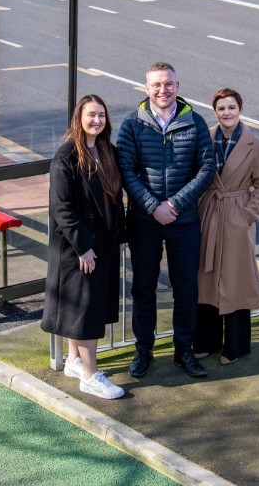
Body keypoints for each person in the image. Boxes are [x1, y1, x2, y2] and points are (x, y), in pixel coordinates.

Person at [117, 62, 215, 379]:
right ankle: (143, 351)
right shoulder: (131, 125)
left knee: (185, 289)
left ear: (178, 86)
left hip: (183, 221)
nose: (163, 90)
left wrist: (173, 204)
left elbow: (205, 171)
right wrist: (152, 206)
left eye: (169, 84)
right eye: (157, 84)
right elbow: (126, 173)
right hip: (144, 222)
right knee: (143, 289)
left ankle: (183, 352)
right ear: (146, 89)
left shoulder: (195, 123)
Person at [41, 95, 126, 400]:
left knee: (85, 308)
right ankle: (90, 375)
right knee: (86, 310)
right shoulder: (66, 156)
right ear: (79, 118)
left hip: (102, 243)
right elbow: (62, 208)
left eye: (101, 115)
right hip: (78, 248)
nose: (96, 121)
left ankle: (75, 361)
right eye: (91, 115)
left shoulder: (107, 151)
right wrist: (83, 247)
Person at [194, 88, 259, 365]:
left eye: (231, 108)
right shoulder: (205, 138)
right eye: (221, 108)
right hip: (209, 213)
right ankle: (206, 341)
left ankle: (235, 345)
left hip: (237, 215)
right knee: (206, 277)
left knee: (235, 281)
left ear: (240, 109)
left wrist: (248, 215)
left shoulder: (255, 144)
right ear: (215, 112)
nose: (227, 113)